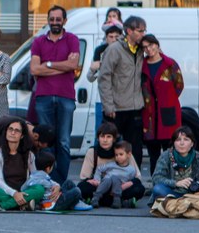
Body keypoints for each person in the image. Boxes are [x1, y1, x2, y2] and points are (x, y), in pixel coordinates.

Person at [29, 5, 79, 183]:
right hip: (43, 97)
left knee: (64, 142)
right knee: (45, 143)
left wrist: (48, 64)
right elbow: (34, 68)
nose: (55, 22)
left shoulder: (72, 39)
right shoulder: (39, 41)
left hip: (66, 97)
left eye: (58, 19)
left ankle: (62, 182)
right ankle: (46, 181)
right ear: (48, 20)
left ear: (64, 21)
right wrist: (62, 66)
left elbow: (73, 65)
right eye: (52, 19)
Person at [98, 15, 147, 169]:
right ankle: (110, 178)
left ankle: (135, 179)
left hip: (135, 107)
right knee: (113, 148)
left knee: (135, 148)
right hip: (116, 109)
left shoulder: (141, 49)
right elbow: (104, 78)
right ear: (129, 31)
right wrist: (108, 106)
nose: (143, 34)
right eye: (140, 31)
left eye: (144, 31)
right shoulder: (114, 49)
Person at [0, 119, 44, 212]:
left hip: (23, 192)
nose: (12, 132)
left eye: (17, 131)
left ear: (22, 136)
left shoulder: (29, 155)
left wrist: (54, 185)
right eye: (10, 129)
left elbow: (35, 178)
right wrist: (14, 194)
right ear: (6, 132)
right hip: (3, 191)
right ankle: (23, 205)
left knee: (39, 189)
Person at [141, 33, 184, 173]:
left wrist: (168, 99)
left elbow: (179, 85)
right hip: (149, 116)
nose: (149, 49)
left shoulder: (170, 64)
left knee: (170, 152)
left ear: (157, 45)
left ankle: (172, 182)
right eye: (145, 47)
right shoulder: (142, 66)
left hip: (168, 113)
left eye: (151, 45)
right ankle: (156, 182)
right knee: (153, 155)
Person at [77, 122, 146, 207]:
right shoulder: (92, 152)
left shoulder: (122, 151)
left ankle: (101, 200)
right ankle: (120, 201)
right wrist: (95, 181)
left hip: (120, 186)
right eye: (102, 136)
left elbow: (137, 178)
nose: (105, 140)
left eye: (108, 137)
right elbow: (84, 177)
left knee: (139, 189)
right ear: (98, 138)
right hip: (100, 186)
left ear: (114, 139)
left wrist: (124, 186)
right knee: (81, 187)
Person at [150, 126, 199, 206]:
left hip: (194, 196)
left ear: (192, 143)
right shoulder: (166, 156)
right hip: (173, 194)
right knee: (158, 189)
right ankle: (190, 206)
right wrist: (176, 183)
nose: (182, 143)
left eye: (186, 139)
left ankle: (183, 205)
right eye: (178, 140)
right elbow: (156, 178)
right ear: (174, 143)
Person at [89, 140, 138, 209]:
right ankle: (96, 198)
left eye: (121, 154)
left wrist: (125, 185)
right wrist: (97, 179)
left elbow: (131, 180)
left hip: (119, 188)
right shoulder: (112, 165)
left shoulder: (131, 169)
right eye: (116, 155)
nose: (118, 157)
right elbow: (99, 169)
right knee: (109, 178)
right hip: (106, 186)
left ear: (129, 155)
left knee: (116, 179)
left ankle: (117, 200)